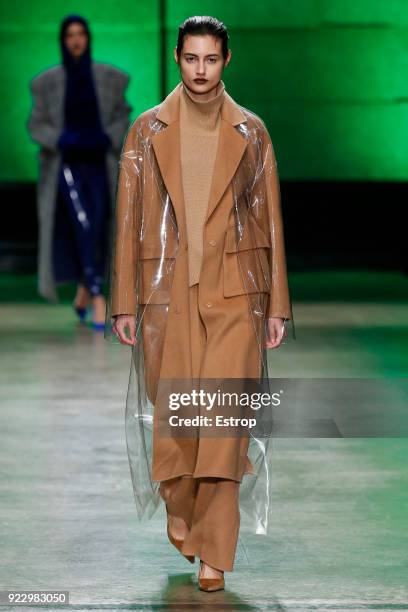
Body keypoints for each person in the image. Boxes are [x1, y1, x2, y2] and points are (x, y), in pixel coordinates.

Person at [106, 15, 294, 592]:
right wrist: (124, 301)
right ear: (176, 57)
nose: (201, 71)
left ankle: (216, 551)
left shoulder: (251, 133)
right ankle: (183, 516)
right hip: (165, 295)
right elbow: (129, 220)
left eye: (212, 59)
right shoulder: (145, 131)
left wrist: (277, 305)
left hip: (237, 293)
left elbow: (270, 220)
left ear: (227, 60)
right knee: (179, 426)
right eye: (192, 59)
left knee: (223, 428)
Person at [27, 14, 132, 328]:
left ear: (88, 38)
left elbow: (123, 116)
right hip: (67, 166)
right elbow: (36, 125)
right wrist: (59, 139)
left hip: (100, 164)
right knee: (83, 226)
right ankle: (99, 295)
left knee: (99, 226)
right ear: (63, 40)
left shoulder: (110, 78)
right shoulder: (46, 83)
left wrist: (109, 138)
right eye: (70, 34)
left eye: (81, 34)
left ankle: (86, 287)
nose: (76, 40)